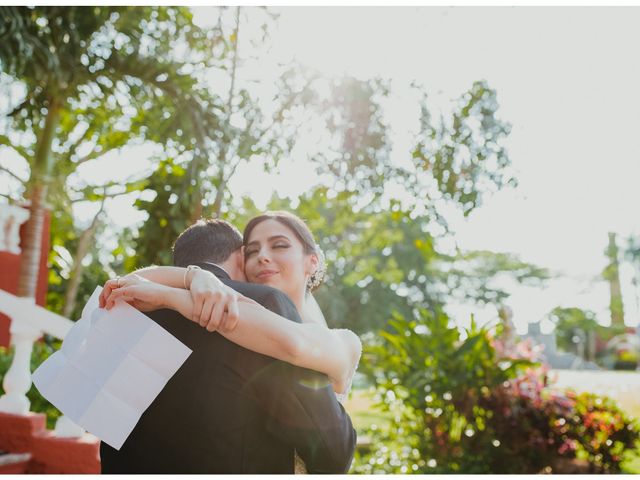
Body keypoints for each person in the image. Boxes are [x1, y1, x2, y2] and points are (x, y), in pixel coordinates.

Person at [98, 218, 357, 474]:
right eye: (253, 250)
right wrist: (190, 282)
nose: (263, 257)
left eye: (279, 245)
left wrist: (180, 287)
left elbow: (293, 343)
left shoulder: (133, 304)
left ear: (312, 261)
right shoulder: (257, 302)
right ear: (240, 257)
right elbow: (332, 453)